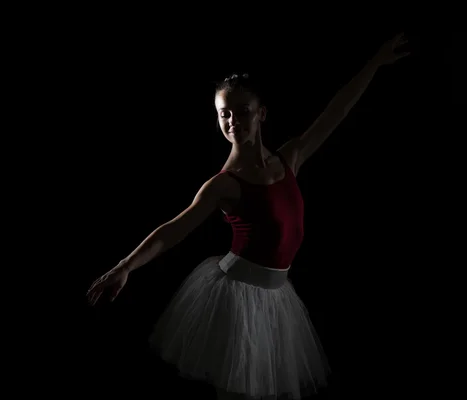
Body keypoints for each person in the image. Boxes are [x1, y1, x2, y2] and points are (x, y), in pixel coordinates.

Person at [87, 33, 410, 400]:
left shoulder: (289, 158)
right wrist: (126, 265)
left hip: (277, 298)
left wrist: (374, 65)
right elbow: (175, 228)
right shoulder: (224, 185)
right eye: (224, 113)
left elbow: (336, 109)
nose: (232, 120)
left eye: (242, 111)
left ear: (261, 114)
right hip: (237, 297)